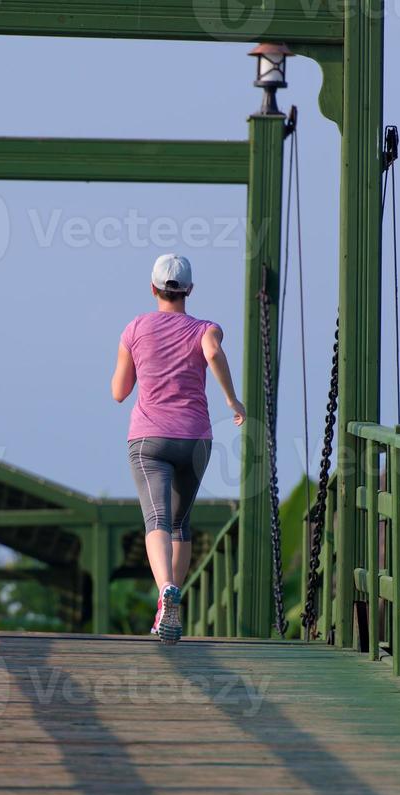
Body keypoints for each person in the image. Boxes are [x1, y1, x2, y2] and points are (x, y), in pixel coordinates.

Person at [111, 254, 245, 644]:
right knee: (180, 524)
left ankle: (165, 590)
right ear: (190, 290)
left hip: (149, 439)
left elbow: (119, 393)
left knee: (156, 520)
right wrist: (232, 401)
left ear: (153, 289)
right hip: (195, 439)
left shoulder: (135, 328)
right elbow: (214, 352)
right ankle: (172, 606)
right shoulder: (206, 328)